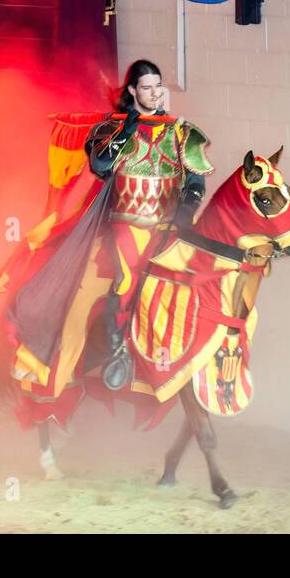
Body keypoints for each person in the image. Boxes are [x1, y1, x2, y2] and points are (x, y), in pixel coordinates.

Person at [84, 59, 214, 390]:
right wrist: (125, 130)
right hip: (128, 221)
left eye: (158, 86)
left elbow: (196, 180)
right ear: (132, 91)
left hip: (168, 225)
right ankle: (117, 352)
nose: (155, 94)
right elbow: (99, 165)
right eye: (147, 87)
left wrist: (186, 208)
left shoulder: (181, 131)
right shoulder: (111, 127)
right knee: (129, 277)